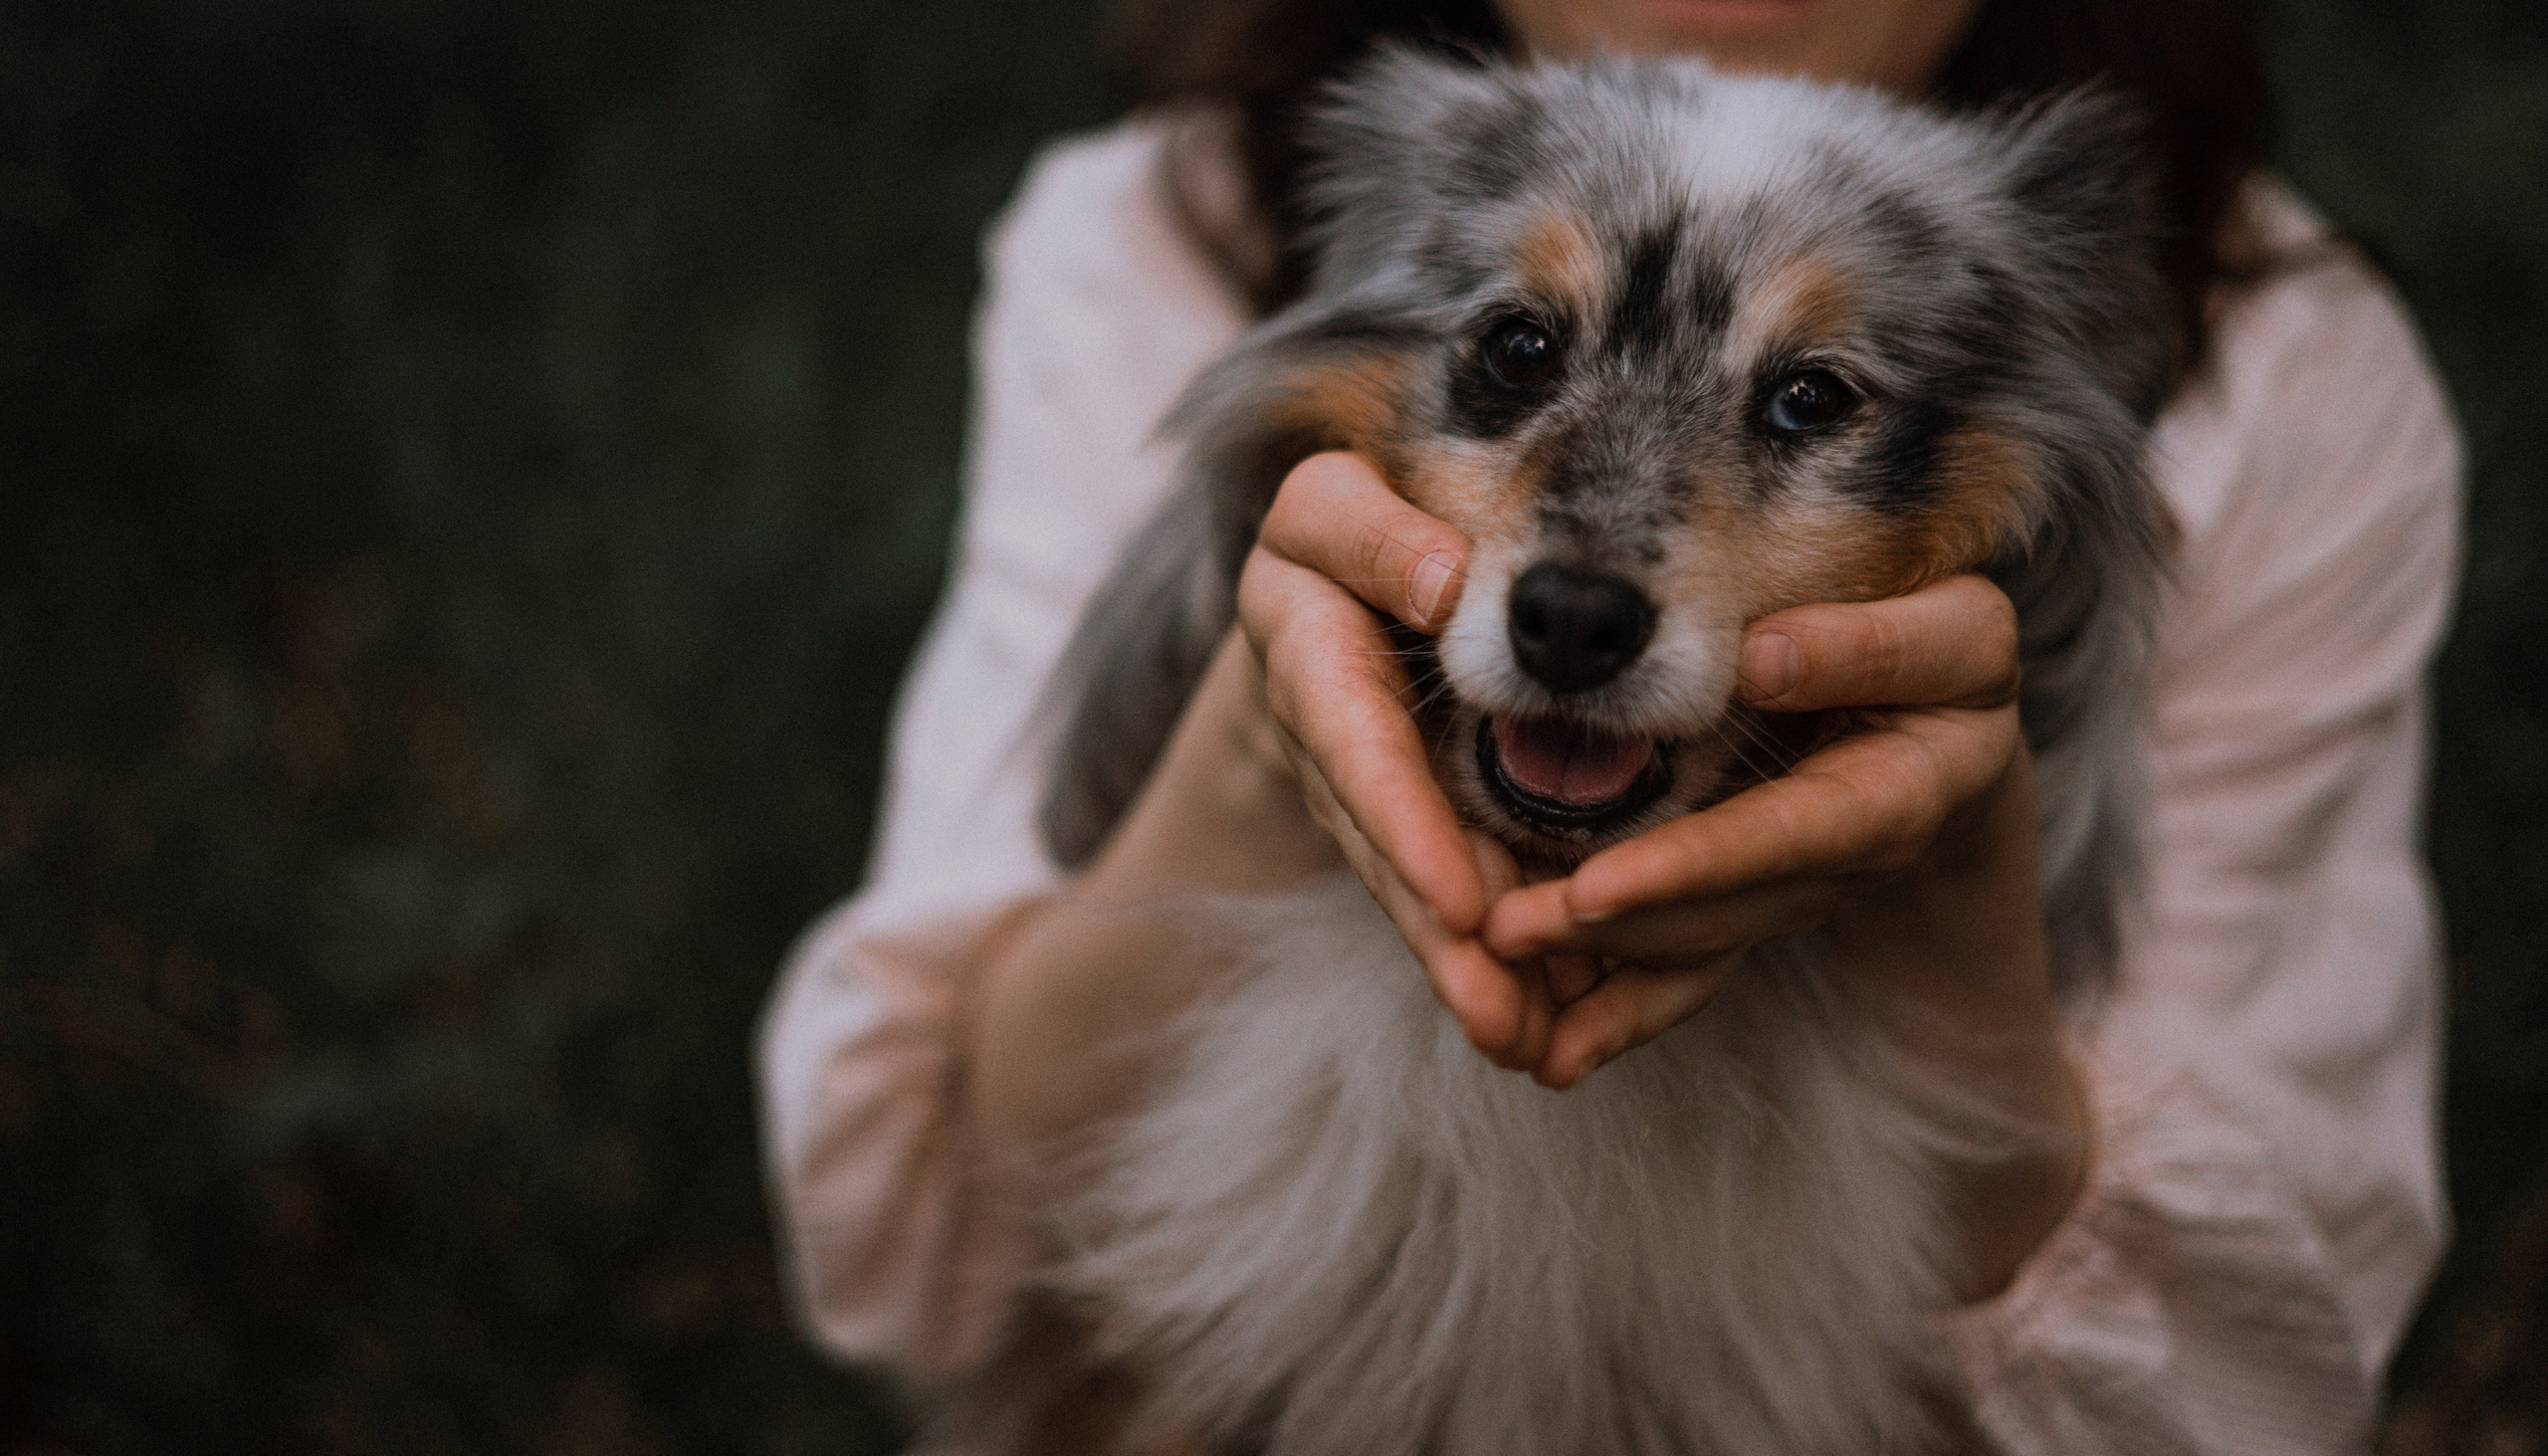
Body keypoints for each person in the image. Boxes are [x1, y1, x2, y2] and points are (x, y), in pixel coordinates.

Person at [757, 0, 2463, 1448]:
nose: (1597, 562)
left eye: (1810, 400)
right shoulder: (1149, 229)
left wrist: (1956, 918)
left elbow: (2267, 1395)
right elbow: (956, 1240)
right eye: (1516, 353)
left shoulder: (2290, 378)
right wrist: (1267, 746)